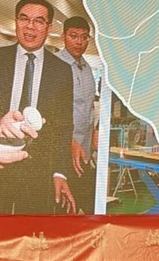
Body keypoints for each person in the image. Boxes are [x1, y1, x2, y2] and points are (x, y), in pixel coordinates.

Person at [0, 0, 76, 214]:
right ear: (16, 21)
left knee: (34, 233)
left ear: (49, 27)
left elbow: (64, 127)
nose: (30, 26)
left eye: (39, 21)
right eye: (24, 19)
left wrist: (59, 172)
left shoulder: (62, 71)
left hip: (40, 169)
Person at [56, 16, 97, 214]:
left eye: (84, 37)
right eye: (73, 36)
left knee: (86, 208)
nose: (79, 42)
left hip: (86, 154)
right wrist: (69, 141)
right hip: (63, 154)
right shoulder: (54, 66)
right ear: (63, 36)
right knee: (62, 212)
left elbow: (89, 106)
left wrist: (96, 130)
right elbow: (50, 113)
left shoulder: (87, 68)